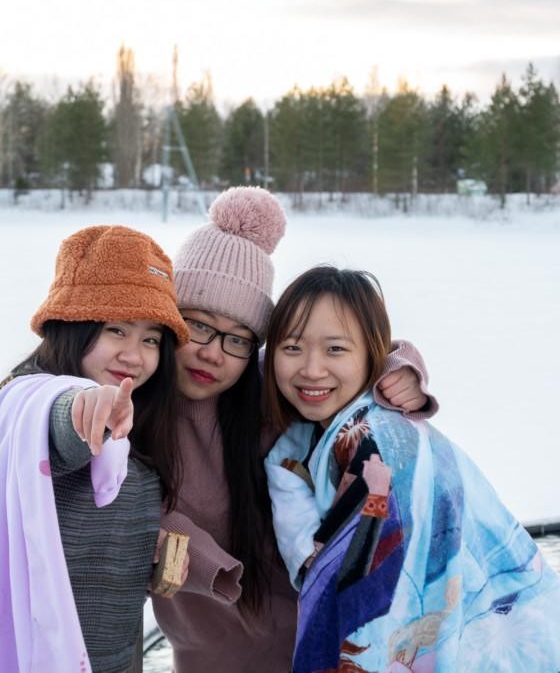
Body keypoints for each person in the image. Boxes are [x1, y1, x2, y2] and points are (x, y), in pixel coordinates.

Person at [153, 188, 439, 672]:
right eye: (197, 325)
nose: (213, 352)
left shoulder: (265, 387)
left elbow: (342, 355)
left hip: (316, 644)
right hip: (210, 655)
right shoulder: (136, 415)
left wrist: (401, 368)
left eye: (238, 337)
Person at [263, 266, 560, 673]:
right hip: (540, 633)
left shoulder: (377, 441)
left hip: (517, 650)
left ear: (371, 356)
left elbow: (350, 588)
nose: (311, 369)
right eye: (292, 347)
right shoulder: (307, 442)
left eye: (336, 350)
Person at [0, 225, 190, 673]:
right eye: (116, 330)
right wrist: (85, 409)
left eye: (151, 339)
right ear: (73, 325)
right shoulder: (28, 403)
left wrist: (151, 545)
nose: (135, 354)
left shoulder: (138, 425)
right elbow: (59, 428)